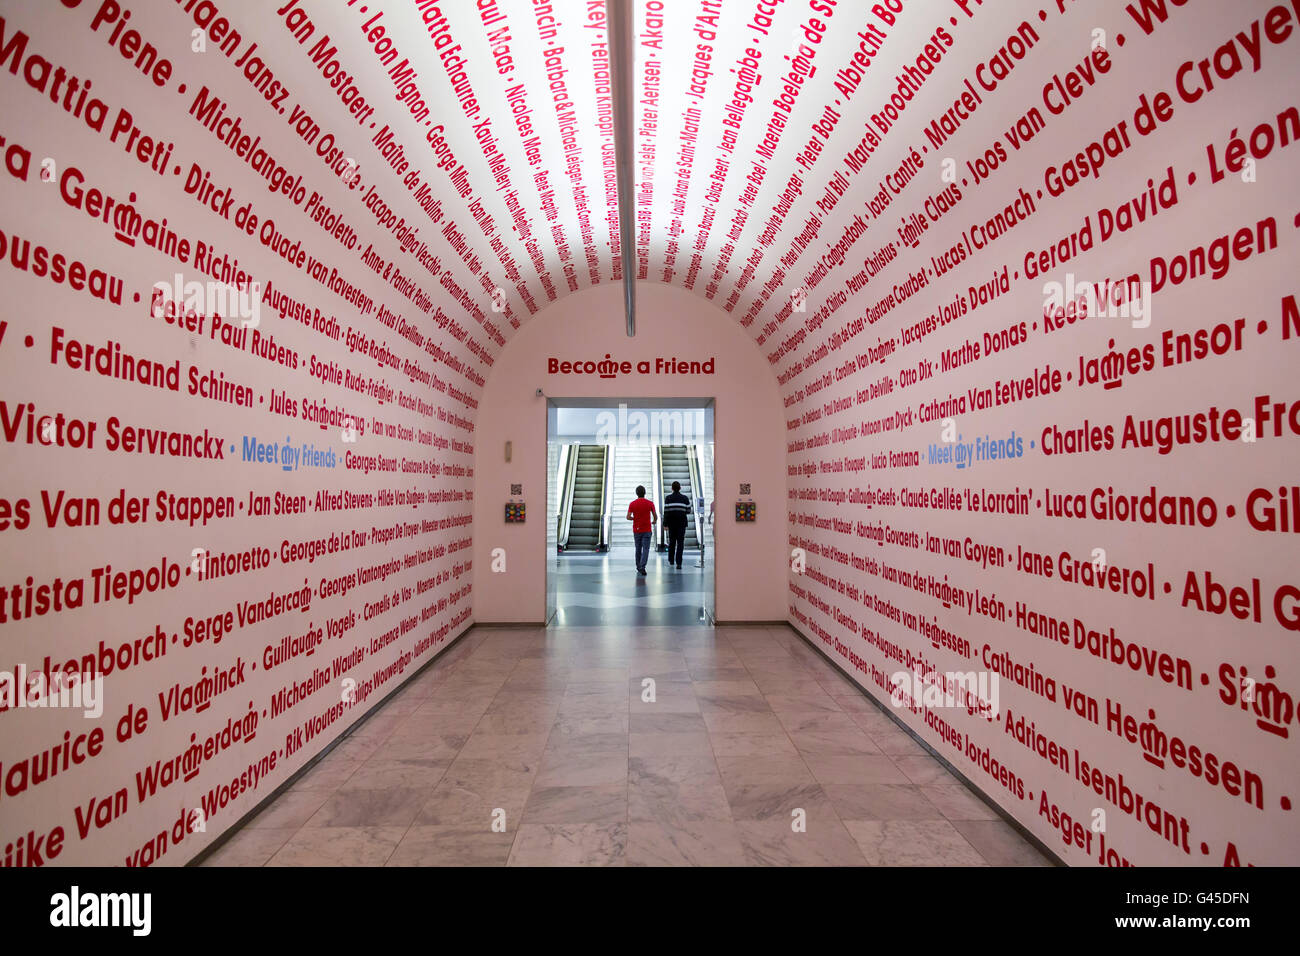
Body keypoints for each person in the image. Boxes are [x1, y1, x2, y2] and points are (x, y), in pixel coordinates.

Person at [626, 485, 657, 575]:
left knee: (638, 548)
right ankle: (643, 567)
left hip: (637, 530)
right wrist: (654, 521)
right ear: (645, 493)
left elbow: (628, 517)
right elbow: (655, 516)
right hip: (647, 529)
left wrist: (635, 518)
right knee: (646, 549)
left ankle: (638, 566)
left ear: (636, 493)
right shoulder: (650, 503)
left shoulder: (632, 504)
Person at [662, 480, 691, 569]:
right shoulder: (685, 498)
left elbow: (666, 512)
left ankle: (671, 560)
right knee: (680, 543)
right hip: (681, 524)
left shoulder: (668, 498)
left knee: (672, 542)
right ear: (680, 488)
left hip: (671, 524)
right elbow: (688, 511)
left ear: (672, 488)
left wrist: (665, 524)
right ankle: (679, 563)